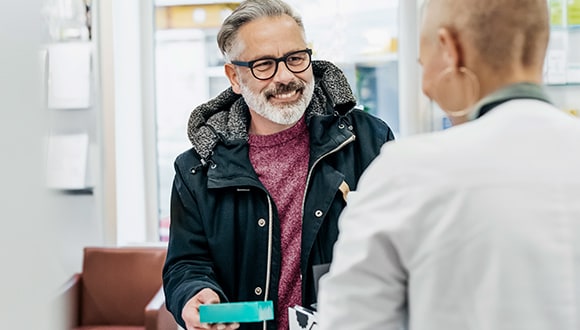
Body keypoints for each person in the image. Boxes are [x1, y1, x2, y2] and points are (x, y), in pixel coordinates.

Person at [317, 0, 580, 329]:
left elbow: (351, 321)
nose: (425, 86)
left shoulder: (409, 172)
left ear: (449, 49)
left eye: (422, 62)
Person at [162, 0, 395, 329]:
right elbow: (186, 264)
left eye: (295, 58)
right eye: (264, 65)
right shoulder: (198, 169)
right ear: (234, 76)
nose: (286, 76)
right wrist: (194, 293)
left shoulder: (368, 141)